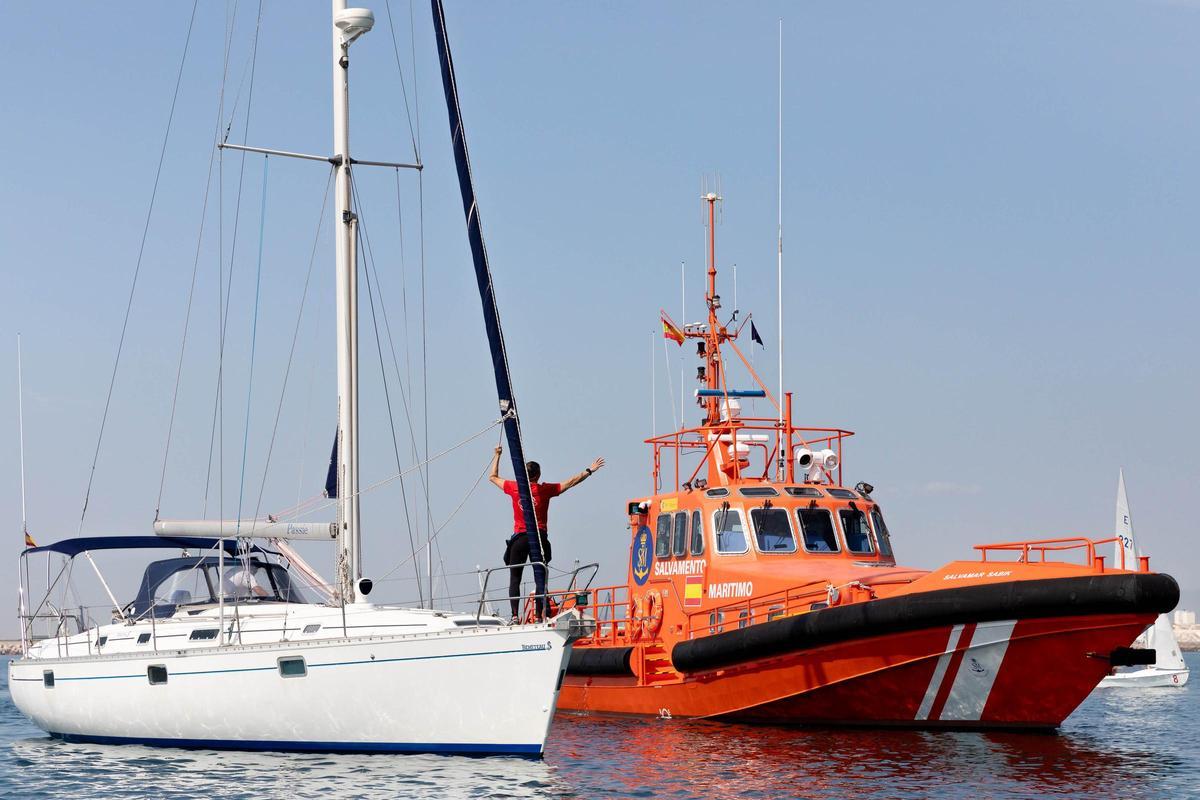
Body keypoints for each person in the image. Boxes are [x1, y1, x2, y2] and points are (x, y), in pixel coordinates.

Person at [490, 444, 604, 621]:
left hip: (519, 539)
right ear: (538, 475)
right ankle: (540, 615)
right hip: (538, 539)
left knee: (515, 578)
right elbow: (570, 482)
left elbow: (492, 477)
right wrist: (590, 470)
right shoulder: (544, 490)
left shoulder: (514, 487)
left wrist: (497, 455)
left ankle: (514, 616)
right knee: (540, 578)